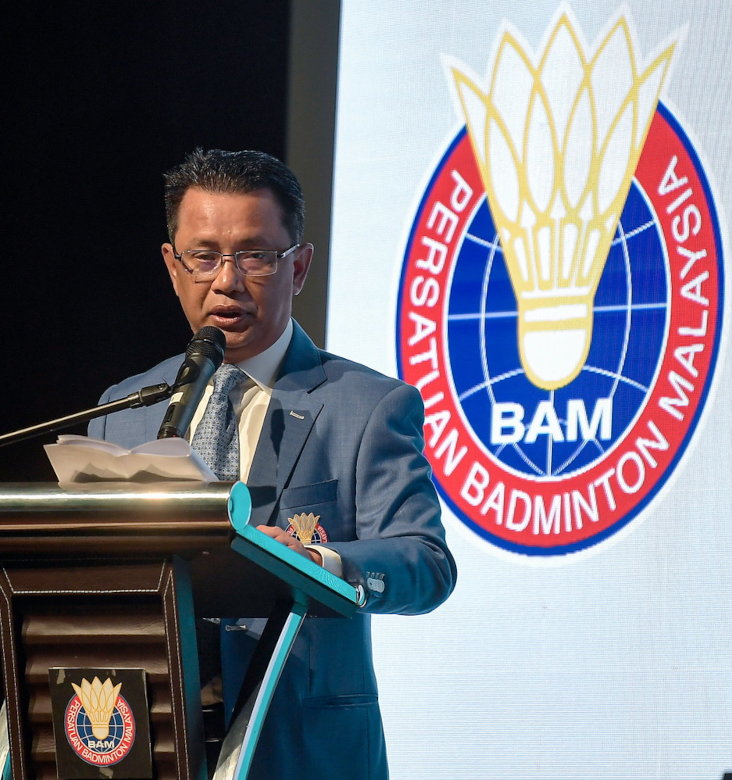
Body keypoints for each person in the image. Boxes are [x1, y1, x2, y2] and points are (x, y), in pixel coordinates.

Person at [88, 148, 456, 779]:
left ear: (300, 266)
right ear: (172, 267)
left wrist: (324, 564)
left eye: (254, 255)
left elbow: (426, 562)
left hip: (298, 747)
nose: (226, 280)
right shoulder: (123, 411)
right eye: (203, 257)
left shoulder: (368, 407)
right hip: (142, 738)